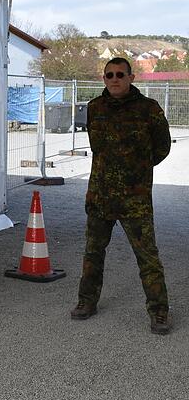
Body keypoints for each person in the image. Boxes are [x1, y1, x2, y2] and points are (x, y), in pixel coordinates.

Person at [70, 57, 172, 335]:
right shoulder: (95, 108)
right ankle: (86, 301)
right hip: (100, 194)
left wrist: (137, 171)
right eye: (108, 75)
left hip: (134, 199)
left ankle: (159, 311)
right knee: (93, 253)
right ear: (103, 79)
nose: (114, 79)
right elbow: (97, 146)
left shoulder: (148, 109)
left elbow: (162, 147)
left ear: (131, 77)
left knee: (147, 256)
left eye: (119, 74)